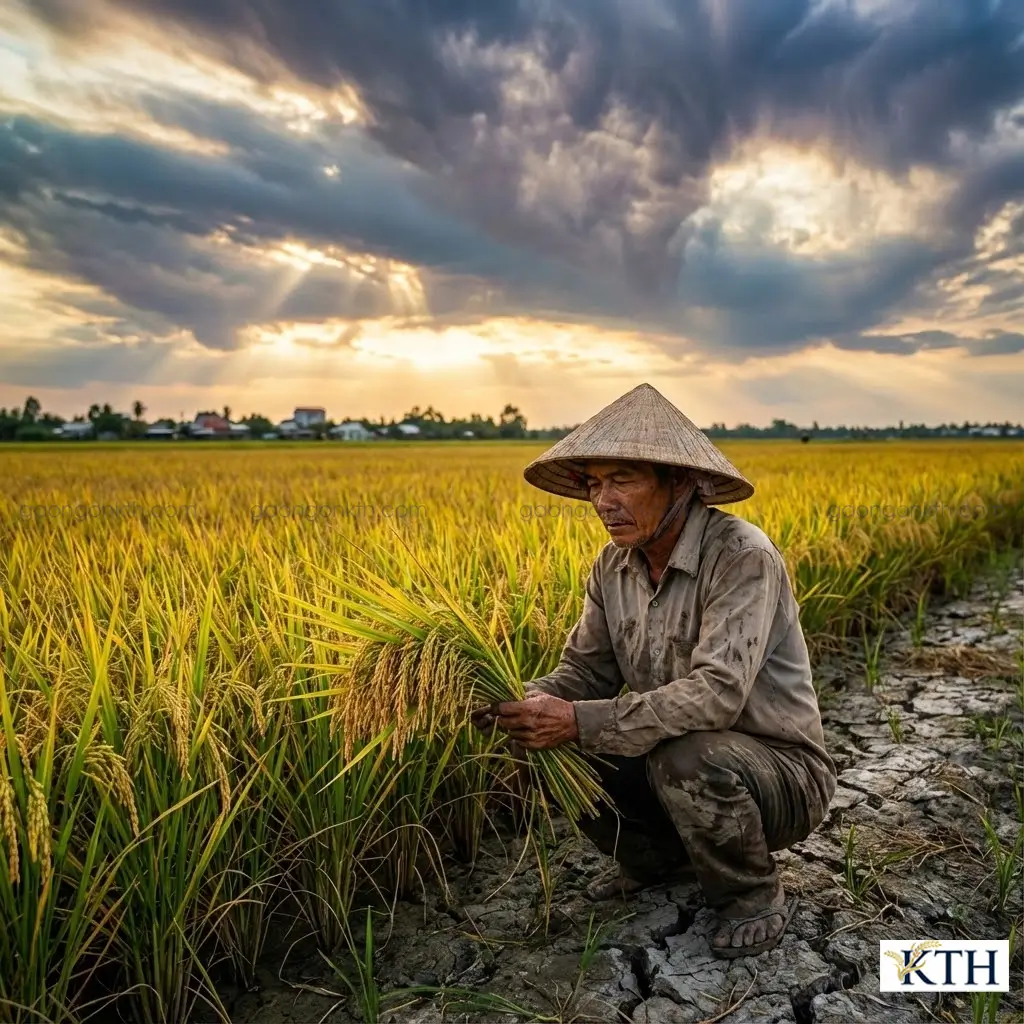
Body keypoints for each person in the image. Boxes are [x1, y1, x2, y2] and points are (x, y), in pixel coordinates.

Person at [473, 383, 836, 959]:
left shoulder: (743, 557)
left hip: (777, 773)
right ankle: (655, 861)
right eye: (594, 483)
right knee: (560, 741)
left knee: (680, 754)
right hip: (674, 755)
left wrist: (576, 720)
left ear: (683, 484)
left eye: (623, 479)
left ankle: (751, 895)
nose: (602, 500)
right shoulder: (613, 565)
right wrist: (521, 702)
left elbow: (717, 695)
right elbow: (585, 673)